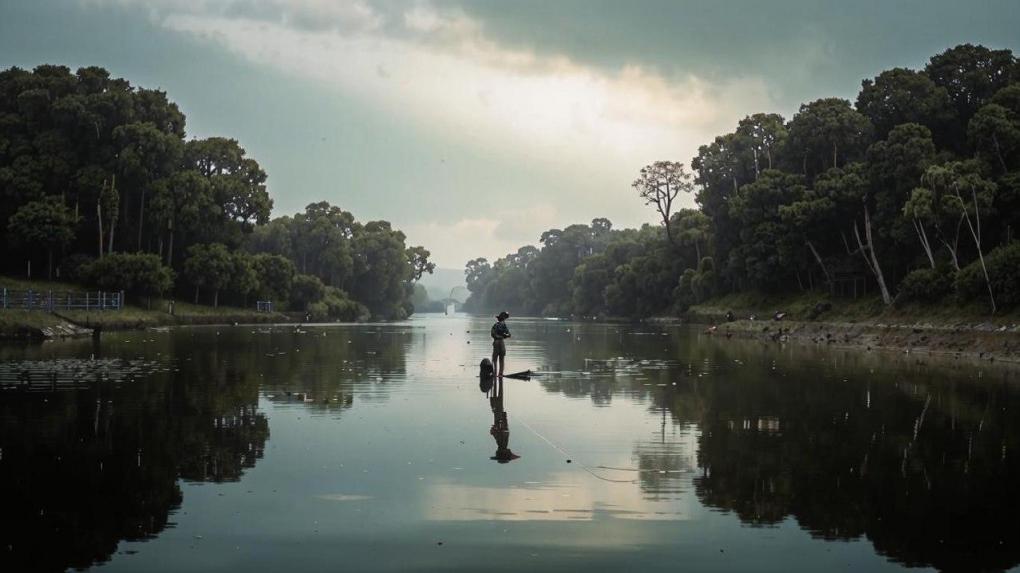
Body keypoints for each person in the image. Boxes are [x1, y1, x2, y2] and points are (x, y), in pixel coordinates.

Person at [490, 311, 511, 378]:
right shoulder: (504, 325)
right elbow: (509, 335)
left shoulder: (495, 325)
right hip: (501, 342)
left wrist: (498, 336)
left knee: (494, 359)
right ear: (504, 318)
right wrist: (504, 335)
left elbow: (492, 334)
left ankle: (494, 373)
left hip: (496, 342)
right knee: (501, 358)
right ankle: (500, 374)